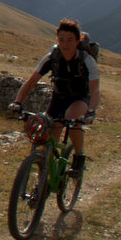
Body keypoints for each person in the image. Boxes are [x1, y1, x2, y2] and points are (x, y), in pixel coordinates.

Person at [9, 18, 100, 176]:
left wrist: (91, 112)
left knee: (72, 119)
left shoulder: (86, 60)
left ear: (78, 41)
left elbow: (95, 89)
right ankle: (42, 185)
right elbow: (31, 82)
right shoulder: (52, 57)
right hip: (58, 99)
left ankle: (79, 156)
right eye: (61, 40)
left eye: (70, 40)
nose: (65, 44)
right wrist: (17, 102)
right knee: (47, 143)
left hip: (81, 98)